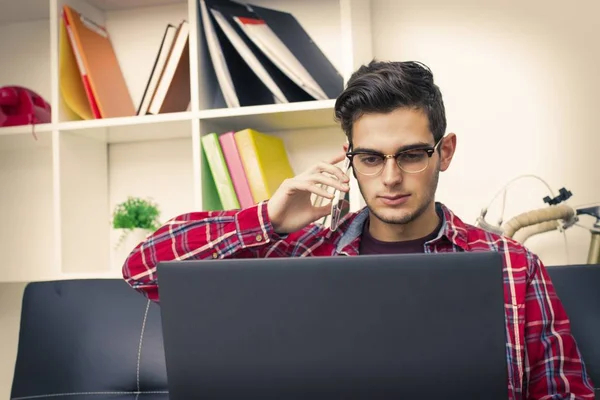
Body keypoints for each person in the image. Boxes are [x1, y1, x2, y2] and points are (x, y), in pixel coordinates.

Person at [122, 60, 595, 399]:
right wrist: (268, 219)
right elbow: (143, 268)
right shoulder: (297, 253)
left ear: (444, 152)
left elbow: (563, 392)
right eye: (369, 158)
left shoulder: (514, 264)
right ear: (348, 157)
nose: (390, 178)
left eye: (411, 155)